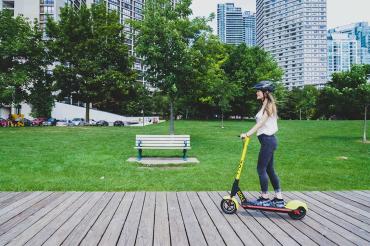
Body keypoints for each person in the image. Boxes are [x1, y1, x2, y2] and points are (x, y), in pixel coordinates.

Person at [240, 80, 285, 208]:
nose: (256, 92)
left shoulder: (269, 106)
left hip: (268, 141)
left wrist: (247, 134)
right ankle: (278, 199)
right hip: (267, 141)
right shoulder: (265, 104)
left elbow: (260, 123)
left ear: (265, 93)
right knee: (269, 170)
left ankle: (264, 197)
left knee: (261, 168)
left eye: (258, 90)